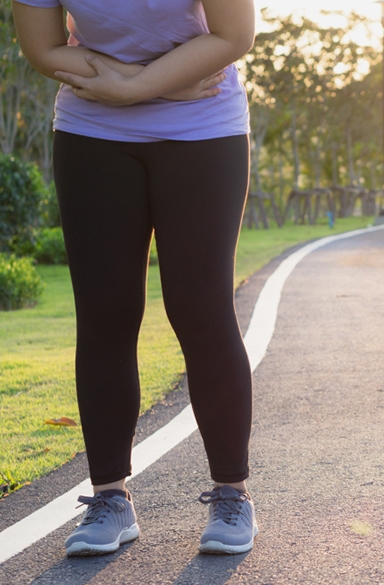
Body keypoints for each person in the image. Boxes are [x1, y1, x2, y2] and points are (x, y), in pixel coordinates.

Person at [12, 0, 258, 556]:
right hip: (92, 130)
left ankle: (232, 494)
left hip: (202, 126)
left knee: (201, 310)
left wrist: (133, 87)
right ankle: (109, 499)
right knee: (105, 314)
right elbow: (43, 48)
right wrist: (143, 88)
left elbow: (234, 34)